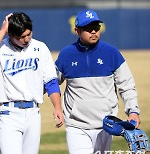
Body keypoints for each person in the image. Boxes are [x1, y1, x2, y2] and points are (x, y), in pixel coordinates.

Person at [0, 12, 64, 154]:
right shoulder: (1, 48)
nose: (27, 39)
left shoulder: (40, 48)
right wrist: (3, 30)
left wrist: (57, 108)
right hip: (8, 113)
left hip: (33, 112)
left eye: (29, 34)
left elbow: (51, 81)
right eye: (21, 37)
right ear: (10, 35)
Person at [55, 10, 140, 154]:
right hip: (76, 126)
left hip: (105, 125)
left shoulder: (111, 53)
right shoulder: (66, 55)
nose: (94, 31)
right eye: (88, 28)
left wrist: (133, 111)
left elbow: (126, 85)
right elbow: (50, 82)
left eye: (96, 27)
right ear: (77, 31)